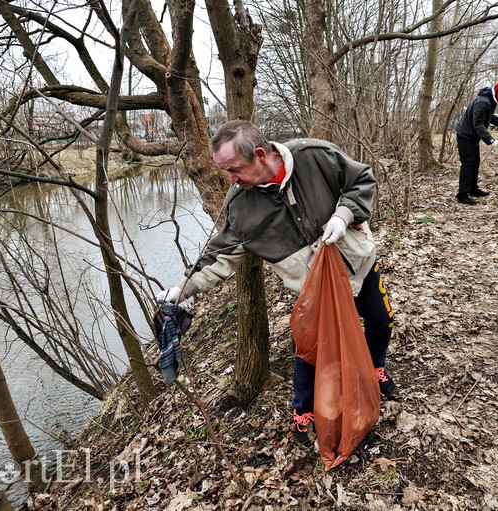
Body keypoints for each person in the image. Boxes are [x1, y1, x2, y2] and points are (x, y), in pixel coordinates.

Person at [157, 120, 396, 446]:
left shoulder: (314, 156)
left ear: (259, 154)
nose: (231, 180)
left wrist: (344, 216)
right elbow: (220, 255)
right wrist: (182, 288)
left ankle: (376, 366)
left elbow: (361, 180)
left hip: (357, 266)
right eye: (226, 172)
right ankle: (303, 409)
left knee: (381, 320)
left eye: (235, 169)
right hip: (312, 288)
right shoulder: (241, 205)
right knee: (310, 349)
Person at [454, 77, 498, 205]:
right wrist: (491, 140)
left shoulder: (490, 100)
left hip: (473, 136)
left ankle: (473, 189)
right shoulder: (483, 101)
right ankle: (462, 195)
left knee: (475, 162)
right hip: (465, 135)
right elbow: (478, 124)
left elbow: (489, 117)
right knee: (467, 164)